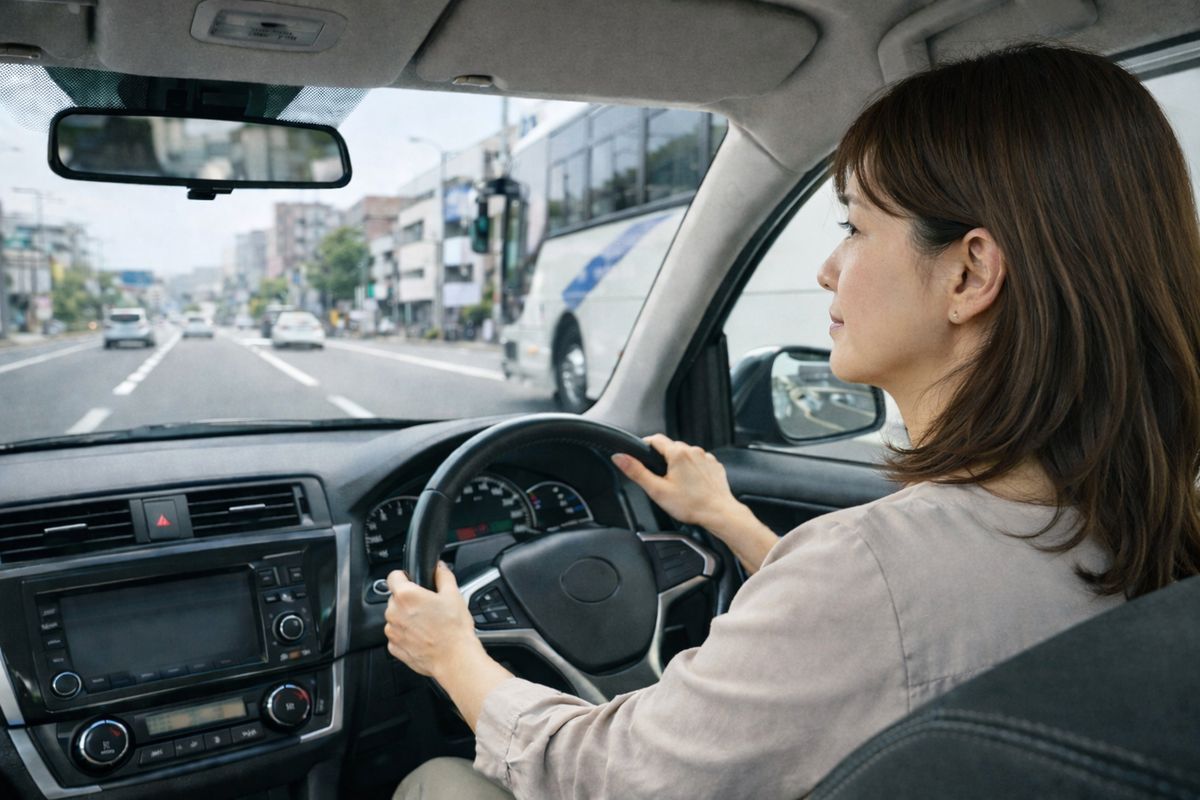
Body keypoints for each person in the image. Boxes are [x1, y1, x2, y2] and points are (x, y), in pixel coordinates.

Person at [384, 43, 1200, 799]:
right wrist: (729, 519)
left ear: (969, 272)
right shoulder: (1149, 524)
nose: (827, 267)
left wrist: (454, 655)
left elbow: (613, 775)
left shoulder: (868, 571)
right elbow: (892, 638)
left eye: (854, 226)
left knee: (437, 780)